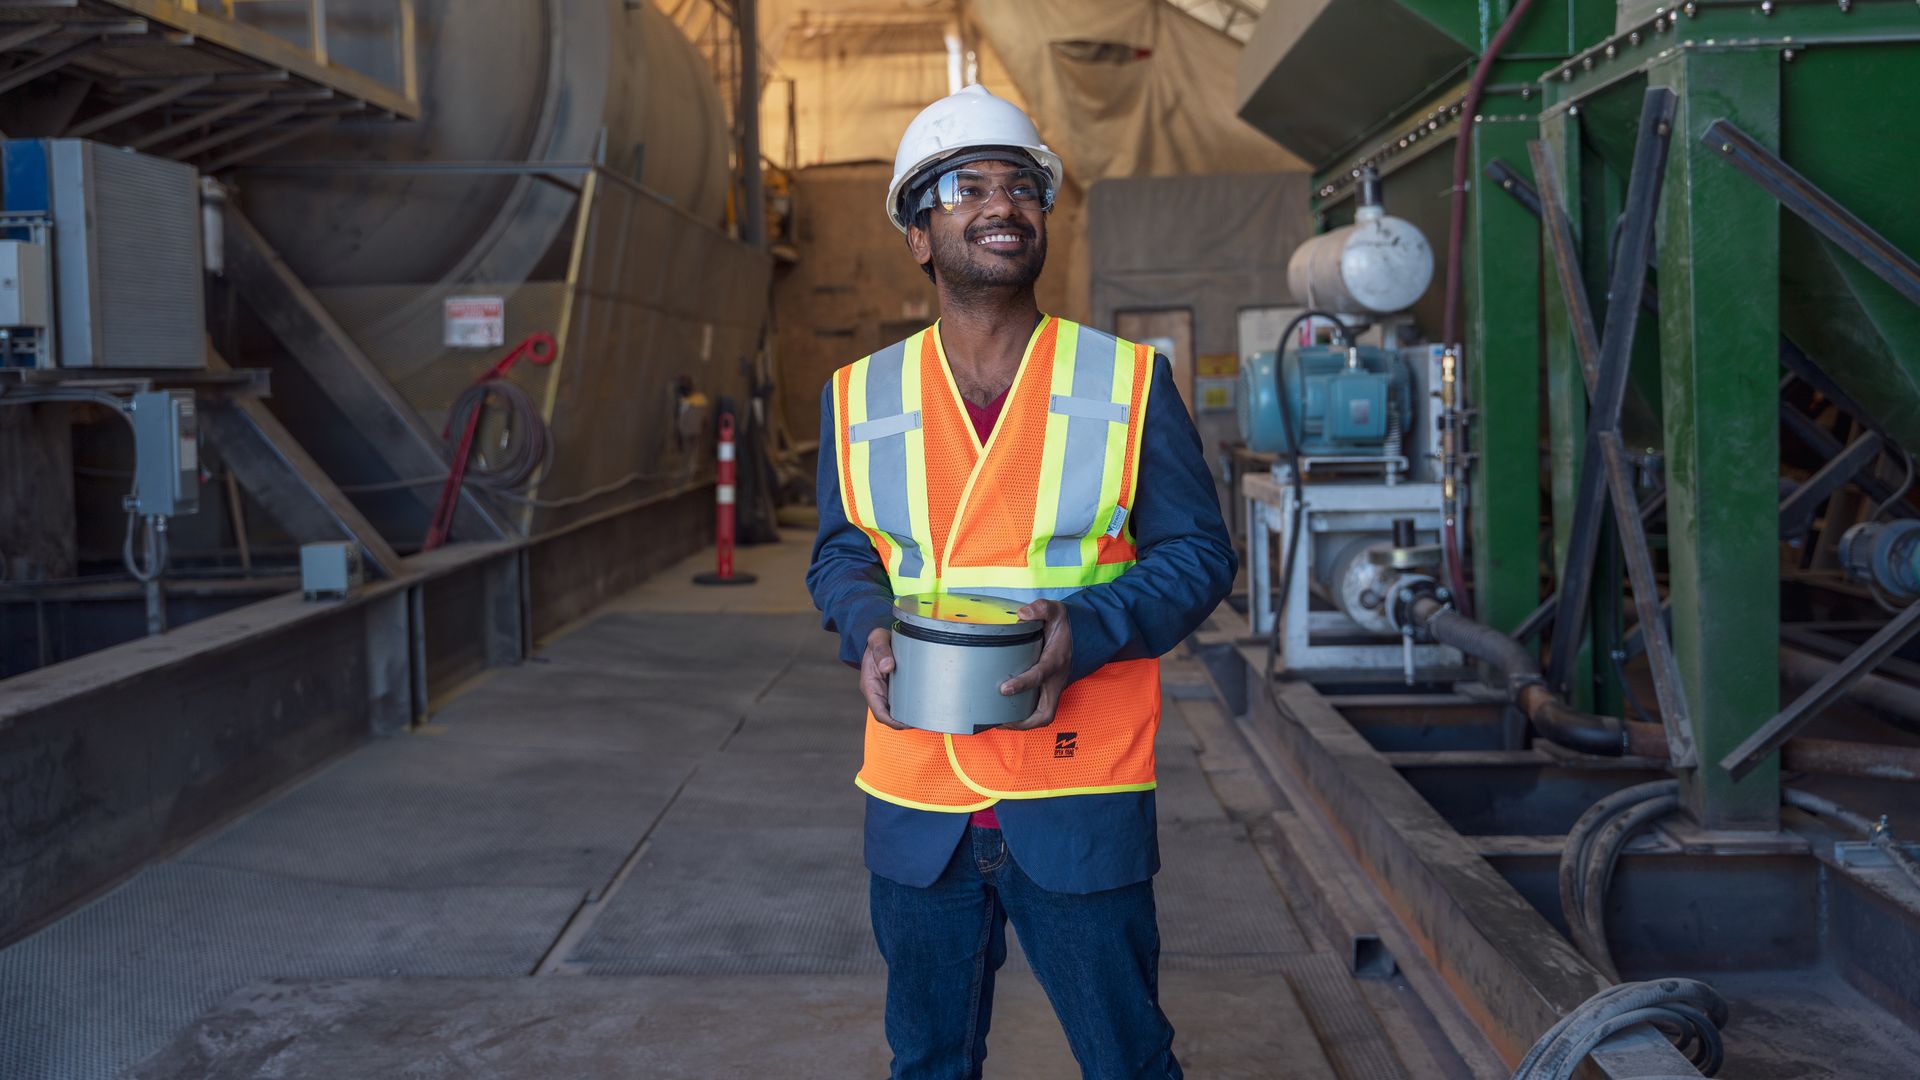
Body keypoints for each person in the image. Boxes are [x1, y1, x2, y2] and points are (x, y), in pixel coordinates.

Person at [805, 85, 1236, 1080]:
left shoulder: (1127, 382)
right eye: (967, 189)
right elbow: (842, 553)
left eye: (1023, 188)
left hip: (1079, 788)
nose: (1002, 205)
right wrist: (868, 628)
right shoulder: (858, 394)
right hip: (918, 801)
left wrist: (1085, 630)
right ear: (920, 234)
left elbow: (1199, 555)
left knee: (1130, 1061)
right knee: (929, 1063)